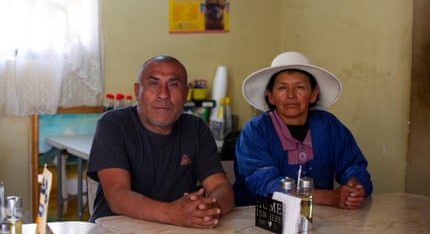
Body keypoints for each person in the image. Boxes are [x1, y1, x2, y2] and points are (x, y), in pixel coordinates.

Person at [87, 55, 234, 228]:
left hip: (174, 229)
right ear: (137, 91)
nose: (163, 94)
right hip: (115, 229)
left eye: (173, 85)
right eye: (154, 83)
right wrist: (172, 213)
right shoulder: (113, 124)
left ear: (185, 93)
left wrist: (207, 209)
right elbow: (117, 195)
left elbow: (221, 187)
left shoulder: (196, 128)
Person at [233, 51, 372, 209]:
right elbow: (265, 185)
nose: (291, 95)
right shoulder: (256, 130)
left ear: (313, 94)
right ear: (270, 96)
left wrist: (355, 185)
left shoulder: (328, 125)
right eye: (282, 88)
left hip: (320, 220)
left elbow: (353, 166)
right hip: (259, 220)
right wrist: (328, 197)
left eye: (299, 87)